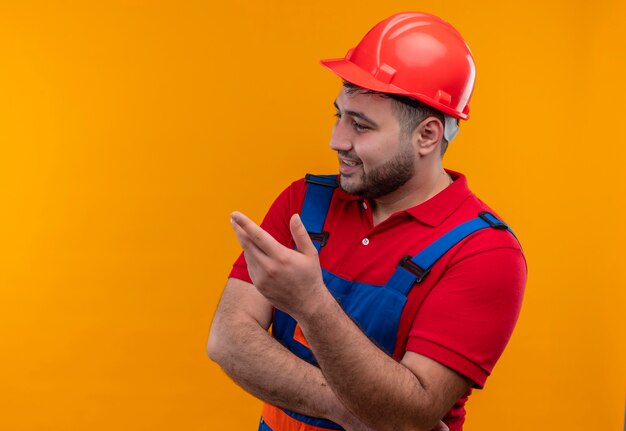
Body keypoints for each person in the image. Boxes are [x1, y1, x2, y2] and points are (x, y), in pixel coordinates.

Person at [207, 11, 526, 431]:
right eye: (338, 115)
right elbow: (227, 340)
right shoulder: (303, 202)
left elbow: (409, 415)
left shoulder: (483, 253)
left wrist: (310, 303)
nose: (336, 140)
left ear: (427, 136)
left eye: (360, 125)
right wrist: (352, 413)